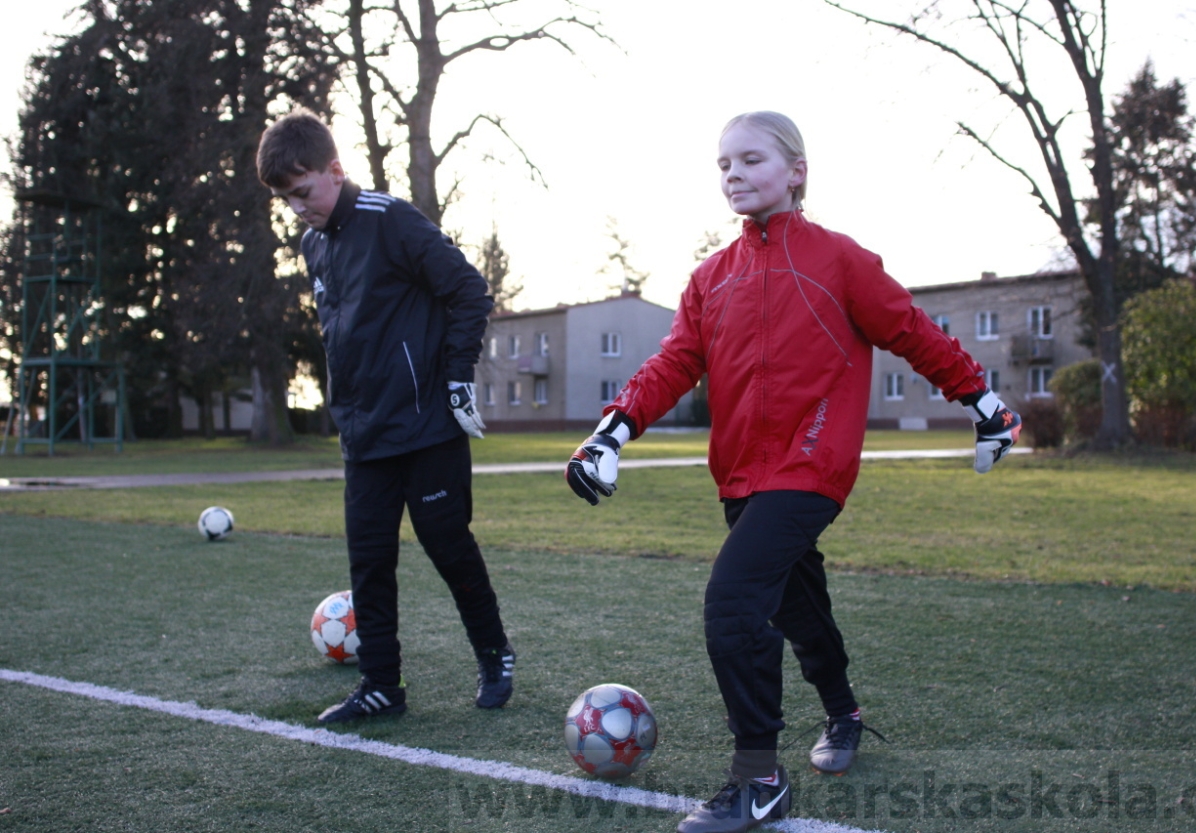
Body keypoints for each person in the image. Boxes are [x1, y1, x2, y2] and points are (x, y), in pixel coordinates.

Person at [565, 111, 1021, 833]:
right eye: (723, 164)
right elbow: (673, 363)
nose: (734, 174)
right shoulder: (711, 277)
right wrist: (610, 433)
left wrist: (987, 403)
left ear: (797, 171)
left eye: (751, 159)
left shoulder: (839, 259)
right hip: (741, 475)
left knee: (733, 602)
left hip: (813, 463)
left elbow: (912, 330)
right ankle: (844, 713)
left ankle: (759, 779)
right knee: (796, 605)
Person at [257, 107, 515, 724]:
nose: (298, 208)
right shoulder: (312, 244)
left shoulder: (391, 219)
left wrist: (457, 377)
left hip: (428, 429)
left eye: (303, 192)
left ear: (334, 169)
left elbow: (469, 292)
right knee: (369, 563)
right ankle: (381, 686)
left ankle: (494, 654)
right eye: (286, 201)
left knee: (448, 547)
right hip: (363, 434)